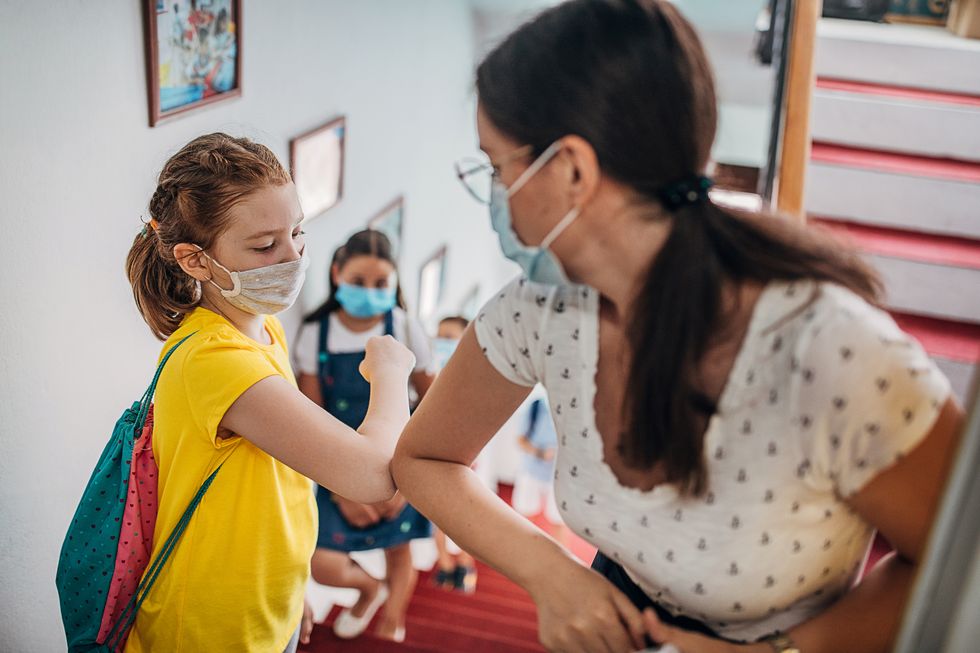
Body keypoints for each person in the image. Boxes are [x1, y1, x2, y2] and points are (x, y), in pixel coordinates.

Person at [391, 2, 964, 652]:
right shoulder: (538, 309)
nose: (495, 195)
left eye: (497, 168)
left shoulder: (831, 353)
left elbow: (960, 567)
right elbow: (424, 456)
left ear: (572, 170)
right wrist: (551, 574)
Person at [124, 133, 415, 653]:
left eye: (297, 232)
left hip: (263, 600)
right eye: (265, 246)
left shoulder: (262, 327)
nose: (295, 257)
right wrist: (391, 373)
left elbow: (275, 480)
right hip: (211, 628)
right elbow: (370, 473)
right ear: (195, 260)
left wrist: (290, 584)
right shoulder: (216, 363)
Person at [294, 229, 435, 642]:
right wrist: (342, 490)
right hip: (337, 466)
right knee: (323, 563)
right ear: (337, 274)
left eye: (381, 284)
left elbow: (432, 403)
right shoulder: (313, 335)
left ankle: (394, 620)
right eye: (358, 281)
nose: (370, 292)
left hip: (400, 463)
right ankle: (367, 590)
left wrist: (407, 482)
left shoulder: (406, 328)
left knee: (399, 549)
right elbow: (312, 418)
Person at [429, 316, 480, 593]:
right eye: (438, 335)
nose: (441, 342)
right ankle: (445, 564)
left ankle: (465, 562)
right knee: (438, 514)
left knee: (463, 514)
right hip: (435, 454)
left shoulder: (477, 377)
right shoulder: (432, 371)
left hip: (467, 458)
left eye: (449, 337)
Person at [513, 396, 562, 525]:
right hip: (531, 470)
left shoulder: (574, 411)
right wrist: (542, 453)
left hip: (559, 476)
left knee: (558, 521)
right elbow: (520, 441)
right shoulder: (535, 406)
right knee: (525, 519)